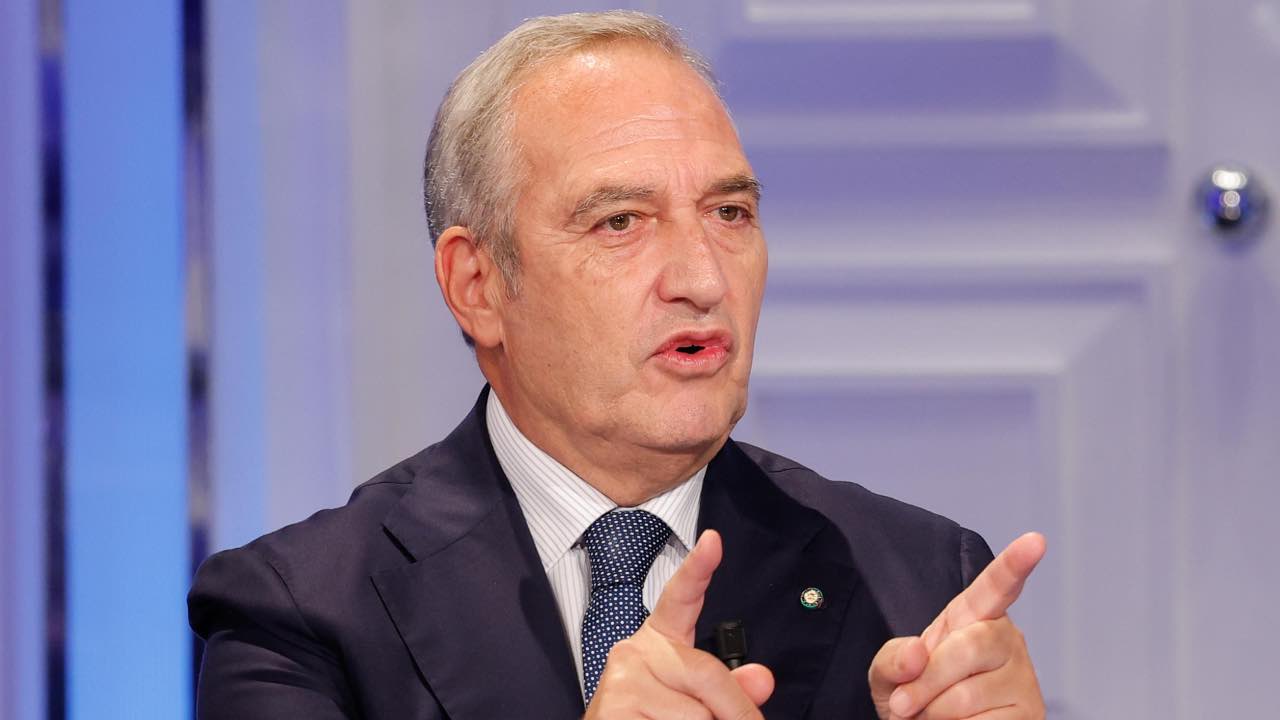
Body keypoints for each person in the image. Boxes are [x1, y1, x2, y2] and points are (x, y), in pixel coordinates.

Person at [189, 11, 1046, 719]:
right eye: (621, 223)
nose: (703, 278)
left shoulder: (917, 584)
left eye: (730, 212)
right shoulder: (301, 617)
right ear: (477, 285)